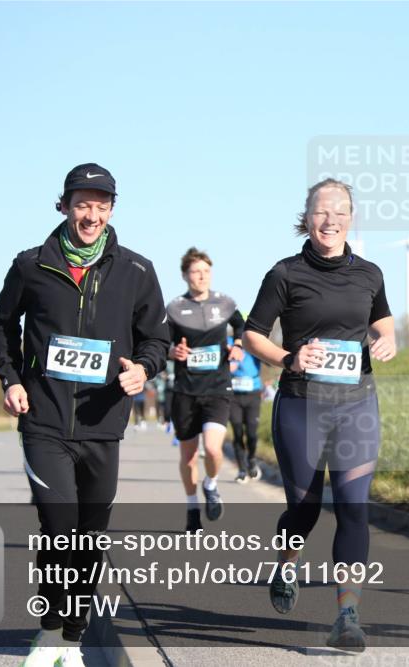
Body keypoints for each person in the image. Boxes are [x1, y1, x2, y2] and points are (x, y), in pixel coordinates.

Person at [0, 163, 170, 667]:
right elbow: (1, 325)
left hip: (103, 424)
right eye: (82, 204)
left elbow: (156, 337)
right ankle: (49, 633)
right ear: (64, 205)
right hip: (44, 421)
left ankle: (74, 631)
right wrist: (12, 378)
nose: (91, 215)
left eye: (101, 205)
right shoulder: (31, 265)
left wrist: (145, 369)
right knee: (59, 525)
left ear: (112, 209)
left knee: (90, 537)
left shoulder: (136, 271)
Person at [243, 178, 396, 651]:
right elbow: (252, 334)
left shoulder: (370, 273)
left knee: (353, 508)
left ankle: (347, 615)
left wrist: (387, 337)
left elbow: (382, 318)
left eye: (340, 211)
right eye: (321, 211)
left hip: (355, 404)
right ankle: (286, 562)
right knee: (305, 510)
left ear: (351, 217)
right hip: (301, 404)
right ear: (306, 217)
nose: (330, 220)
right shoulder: (285, 273)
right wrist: (289, 357)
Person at [165, 247, 245, 533]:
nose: (202, 276)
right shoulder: (174, 308)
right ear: (185, 275)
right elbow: (158, 342)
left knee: (212, 449)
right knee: (187, 458)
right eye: (196, 271)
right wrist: (173, 351)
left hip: (217, 388)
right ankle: (191, 507)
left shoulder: (225, 303)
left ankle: (210, 485)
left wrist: (237, 346)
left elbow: (242, 327)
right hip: (185, 391)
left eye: (207, 271)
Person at [228, 333, 263, 483]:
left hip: (253, 394)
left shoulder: (255, 342)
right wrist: (228, 362)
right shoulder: (228, 341)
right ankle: (242, 469)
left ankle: (252, 459)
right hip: (234, 395)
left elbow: (270, 359)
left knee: (251, 432)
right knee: (237, 431)